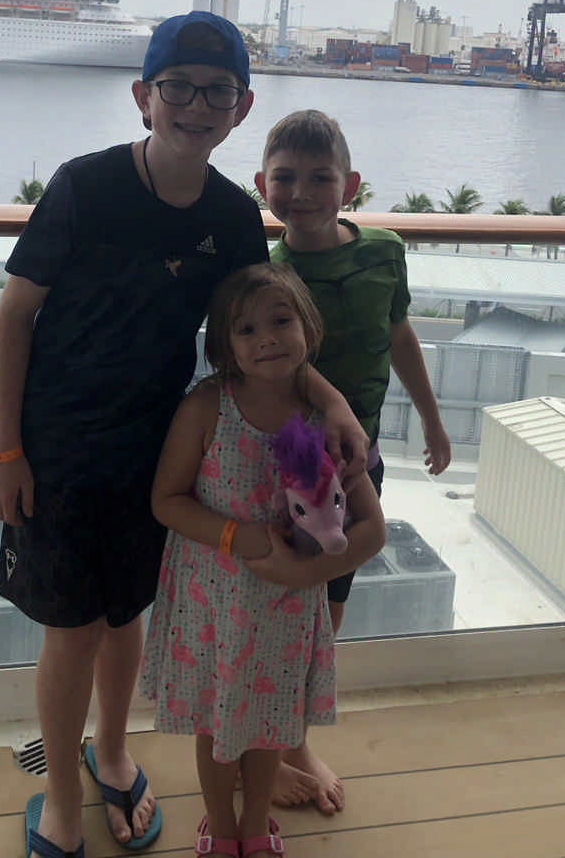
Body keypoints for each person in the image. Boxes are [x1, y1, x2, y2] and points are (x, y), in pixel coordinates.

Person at [0, 17, 368, 858]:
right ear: (143, 97)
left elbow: (260, 337)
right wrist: (4, 448)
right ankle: (57, 792)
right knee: (71, 626)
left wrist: (329, 399)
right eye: (178, 87)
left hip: (159, 450)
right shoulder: (85, 186)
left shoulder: (233, 217)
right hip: (60, 447)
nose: (196, 105)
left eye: (217, 90)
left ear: (241, 107)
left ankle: (113, 753)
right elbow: (15, 314)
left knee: (128, 615)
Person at [140, 262, 386, 858]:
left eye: (281, 320)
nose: (267, 338)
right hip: (213, 609)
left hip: (286, 611)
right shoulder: (206, 407)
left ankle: (256, 826)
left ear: (309, 327)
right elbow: (166, 502)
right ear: (225, 346)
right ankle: (221, 829)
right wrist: (236, 536)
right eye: (246, 330)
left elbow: (371, 529)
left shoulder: (326, 420)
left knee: (271, 723)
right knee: (217, 728)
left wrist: (302, 574)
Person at [254, 108, 452, 814]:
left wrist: (430, 417)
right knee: (277, 609)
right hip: (286, 472)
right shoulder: (265, 272)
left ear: (351, 185)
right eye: (285, 178)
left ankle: (292, 736)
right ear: (261, 185)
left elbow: (398, 335)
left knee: (327, 612)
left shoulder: (383, 253)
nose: (300, 192)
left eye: (319, 177)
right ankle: (267, 746)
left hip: (359, 462)